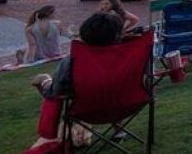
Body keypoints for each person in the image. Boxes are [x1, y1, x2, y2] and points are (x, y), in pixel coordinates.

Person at [29, 12, 123, 146]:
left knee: (53, 86)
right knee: (105, 89)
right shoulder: (126, 57)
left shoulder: (73, 61)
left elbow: (55, 93)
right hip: (125, 105)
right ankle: (118, 131)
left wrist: (44, 81)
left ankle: (43, 79)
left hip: (86, 110)